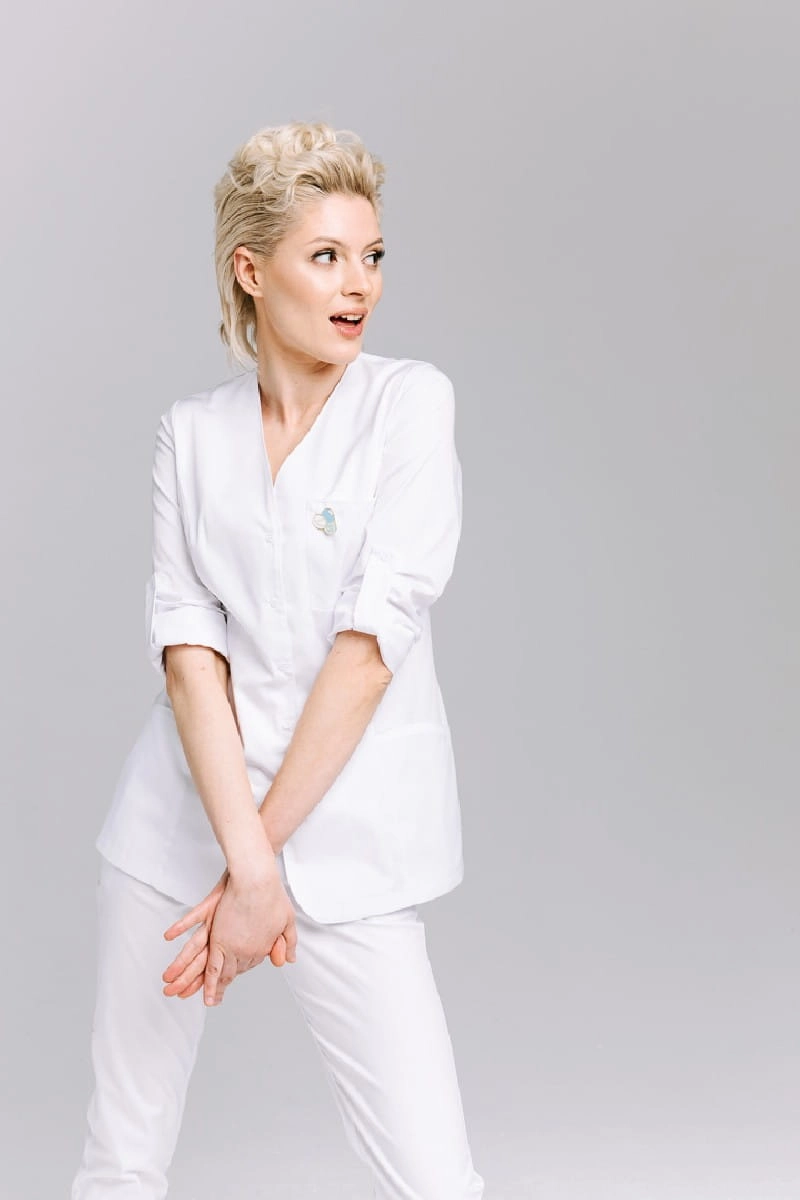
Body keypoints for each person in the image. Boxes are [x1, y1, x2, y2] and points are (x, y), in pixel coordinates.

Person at [70, 120, 485, 1199]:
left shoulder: (408, 404)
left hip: (347, 840)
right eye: (326, 256)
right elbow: (187, 658)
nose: (360, 285)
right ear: (251, 272)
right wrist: (246, 870)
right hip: (180, 827)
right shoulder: (190, 433)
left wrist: (264, 860)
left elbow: (368, 653)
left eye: (372, 255)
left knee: (435, 1181)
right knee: (120, 1162)